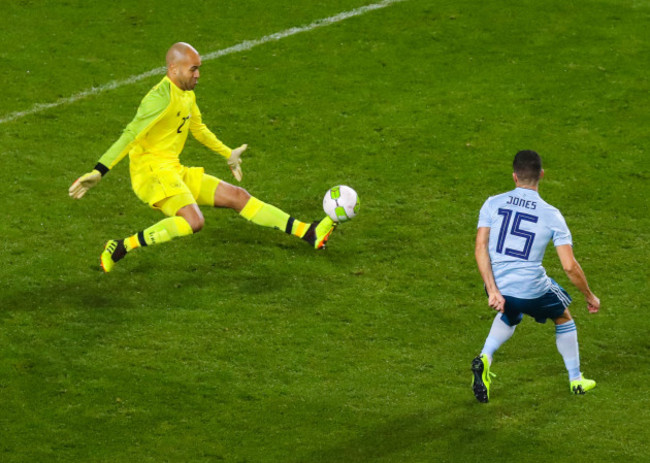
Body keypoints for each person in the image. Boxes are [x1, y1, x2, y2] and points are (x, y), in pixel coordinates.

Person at [69, 42, 335, 272]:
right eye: (193, 69)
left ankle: (307, 232)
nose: (198, 75)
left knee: (238, 196)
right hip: (152, 173)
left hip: (172, 168)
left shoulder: (187, 94)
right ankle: (122, 247)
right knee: (193, 221)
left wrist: (227, 153)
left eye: (199, 68)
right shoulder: (159, 99)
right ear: (173, 70)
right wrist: (99, 171)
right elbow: (129, 135)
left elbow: (198, 129)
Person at [471, 150, 600, 403]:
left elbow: (480, 248)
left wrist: (493, 290)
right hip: (530, 288)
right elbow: (569, 267)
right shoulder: (552, 215)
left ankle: (485, 357)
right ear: (541, 175)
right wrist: (590, 296)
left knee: (511, 310)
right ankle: (576, 381)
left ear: (514, 177)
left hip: (497, 286)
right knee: (562, 314)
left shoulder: (492, 203)